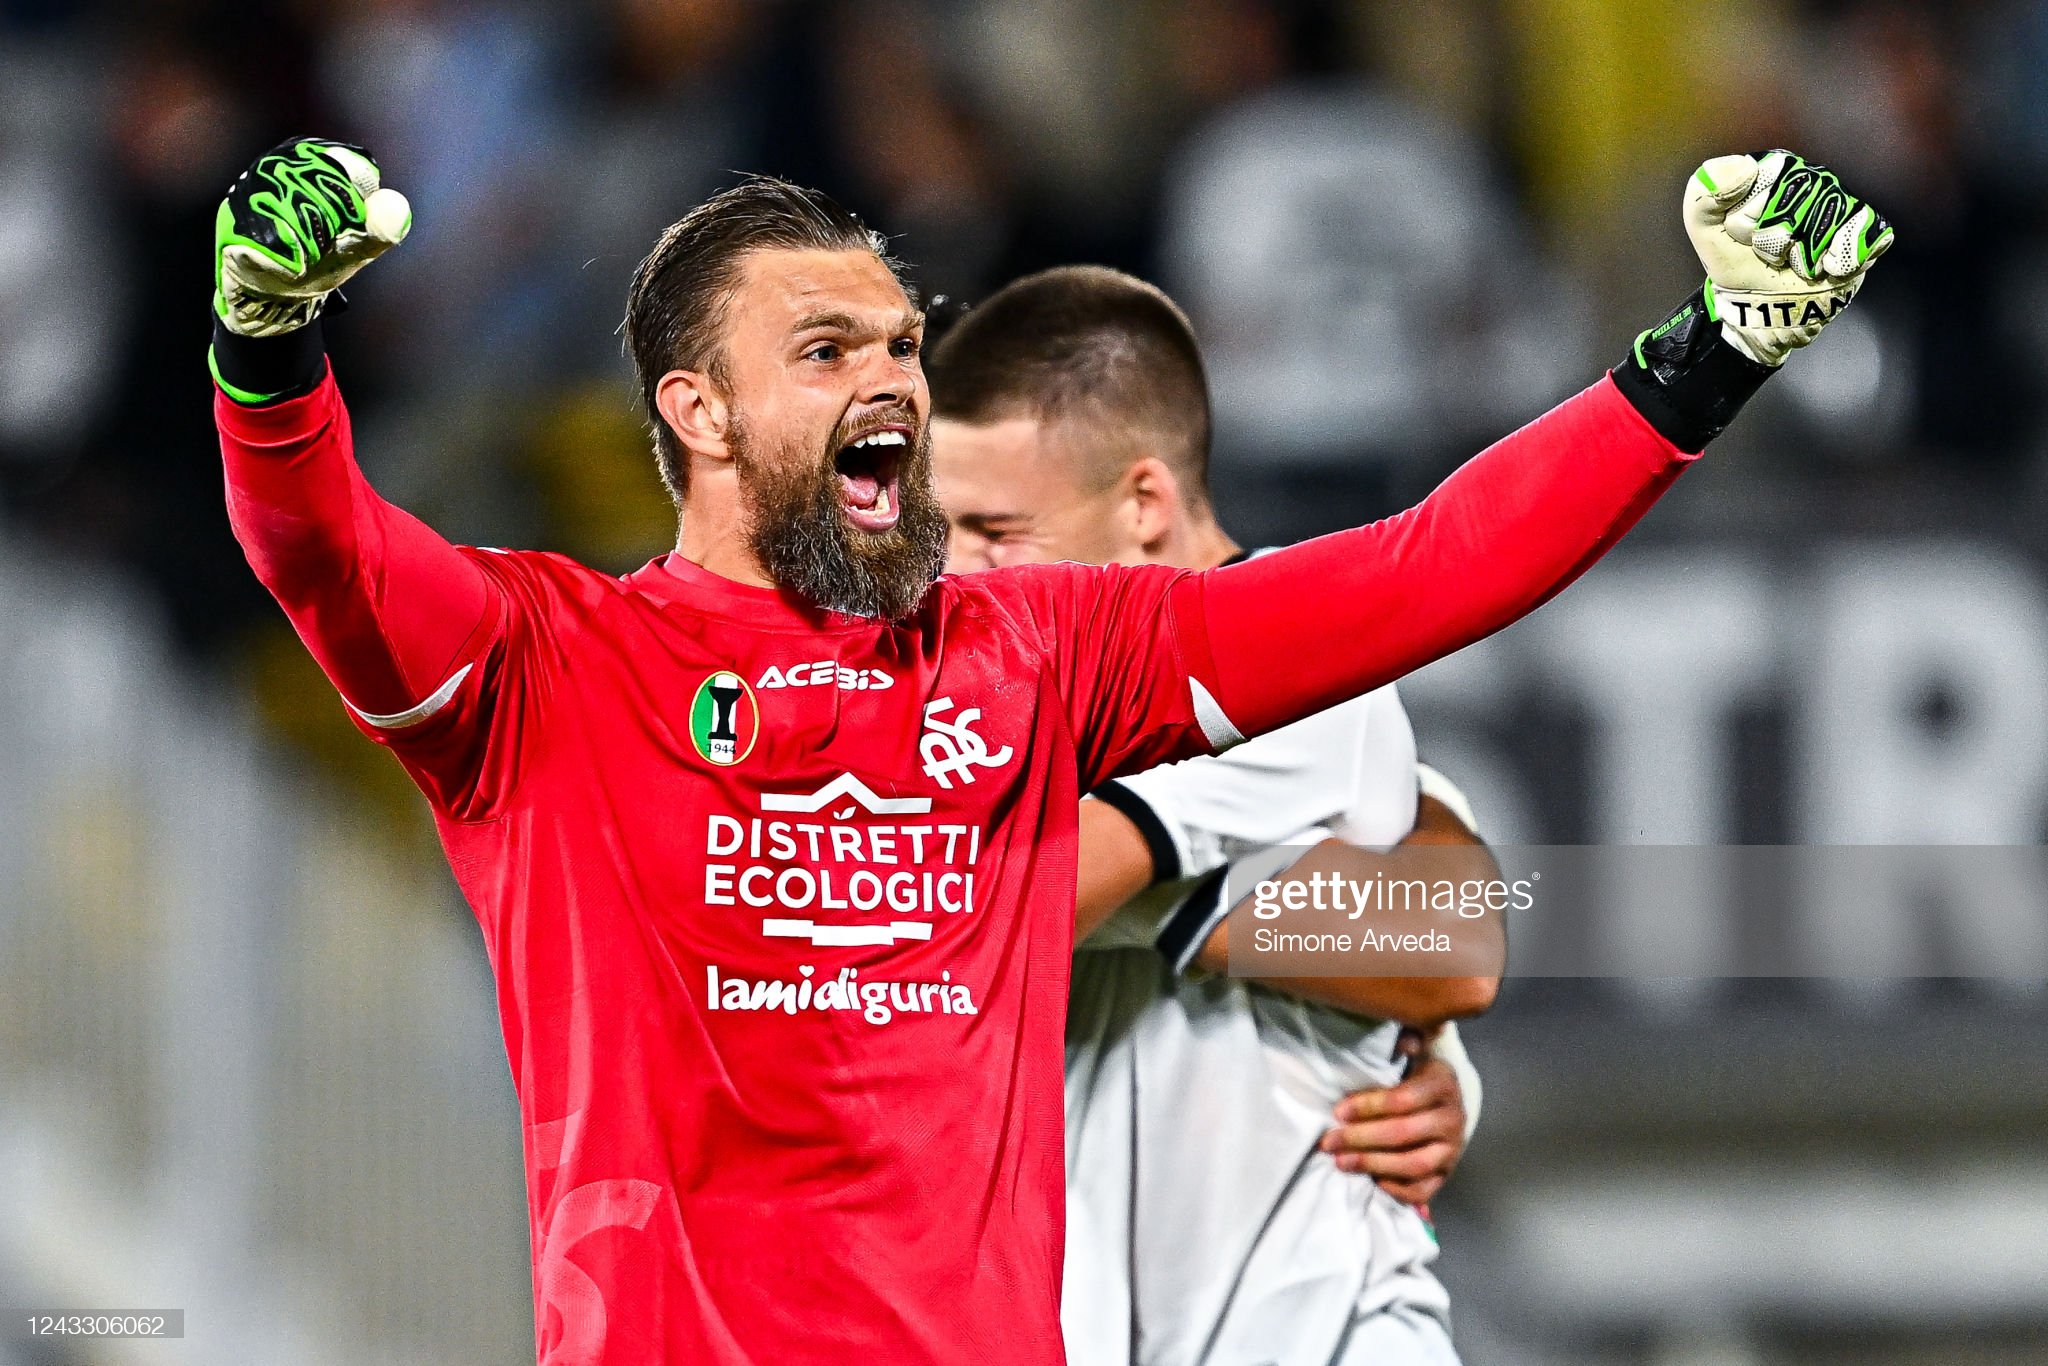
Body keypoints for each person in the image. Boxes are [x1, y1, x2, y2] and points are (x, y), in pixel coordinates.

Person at [206, 137, 1889, 1364]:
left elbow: (1422, 572)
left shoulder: (1038, 655)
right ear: (695, 413)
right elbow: (318, 550)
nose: (889, 381)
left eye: (898, 345)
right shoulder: (547, 663)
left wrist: (1708, 359)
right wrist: (266, 354)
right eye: (826, 351)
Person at [930, 265, 1497, 1364]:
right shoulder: (1014, 702)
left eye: (997, 529)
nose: (955, 572)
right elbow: (1447, 930)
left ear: (1143, 504)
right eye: (938, 528)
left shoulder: (1293, 679)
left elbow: (986, 910)